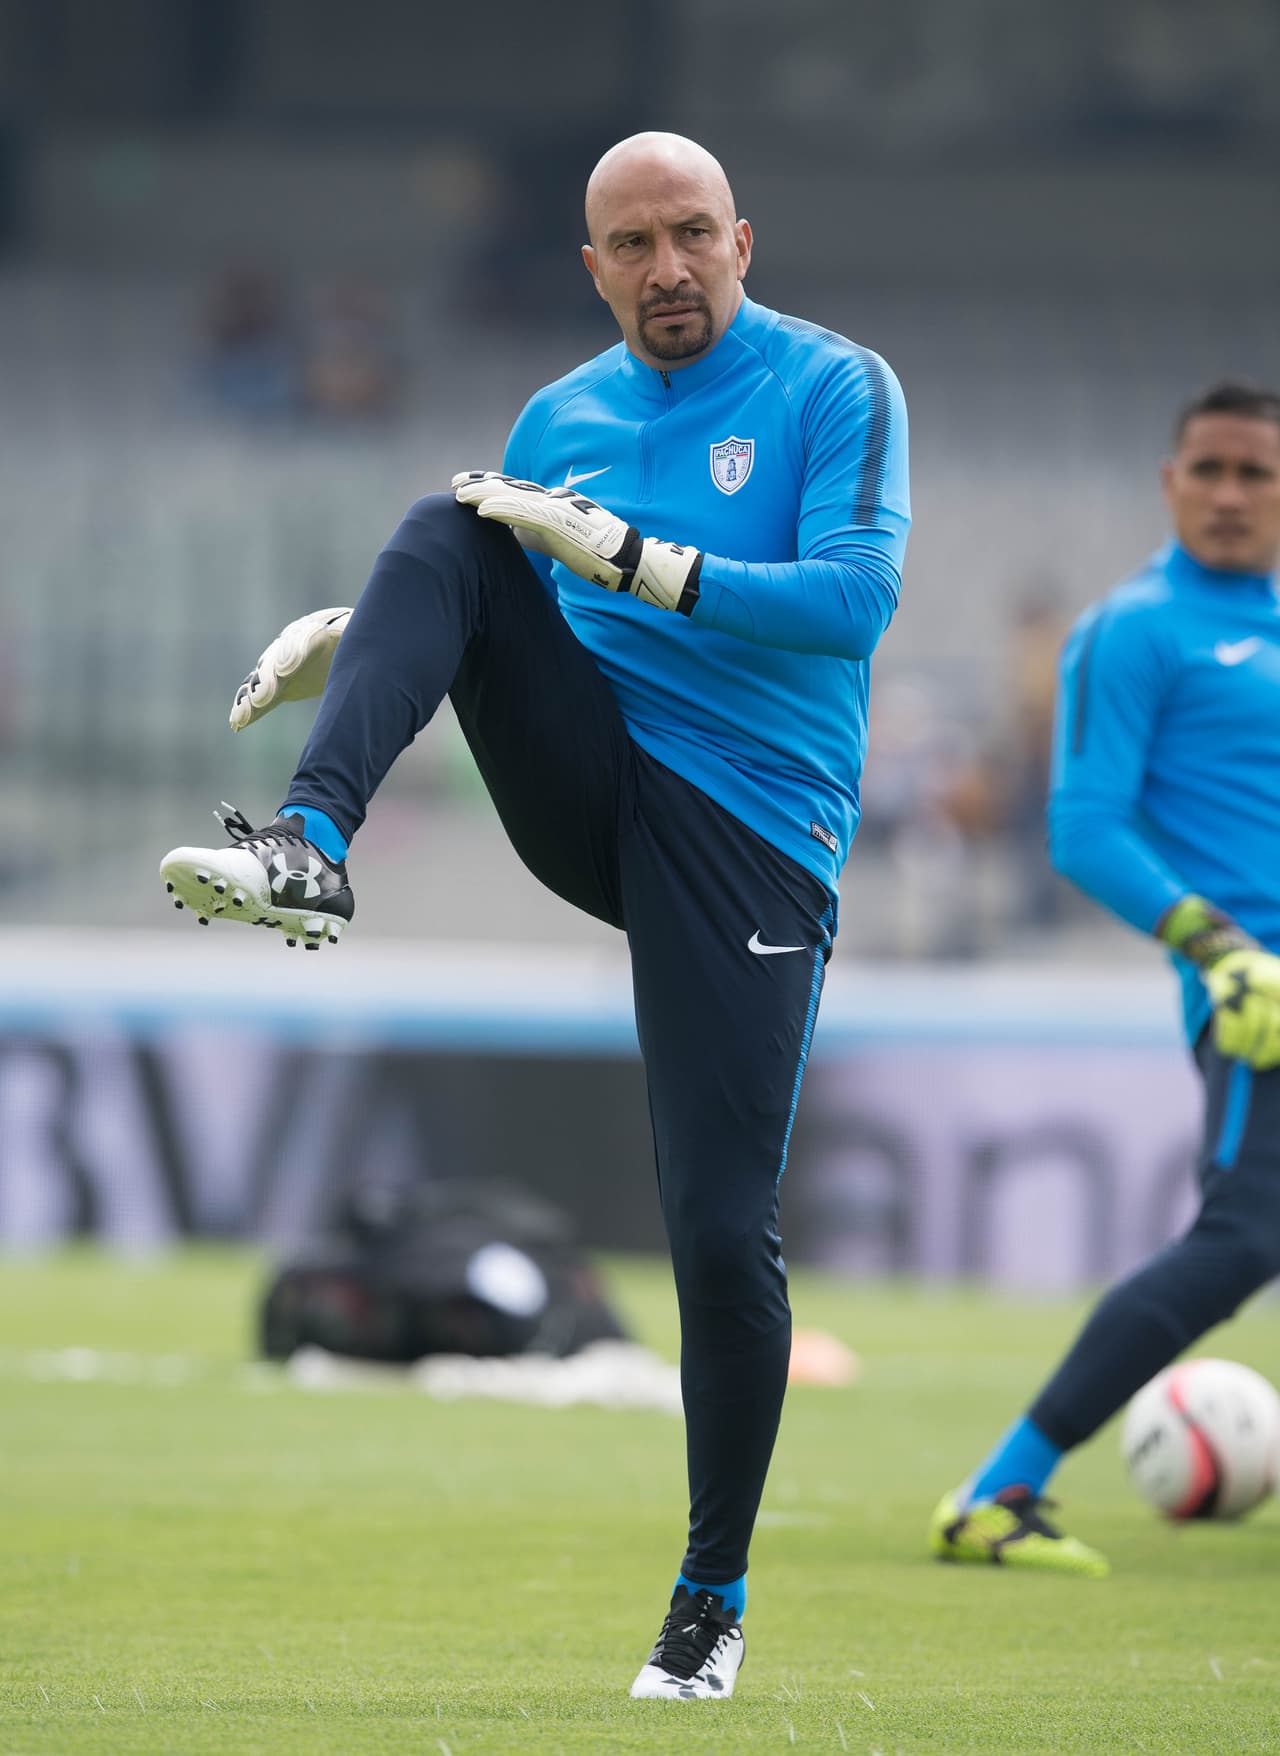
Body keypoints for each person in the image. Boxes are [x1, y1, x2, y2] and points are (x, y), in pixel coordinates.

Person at [159, 132, 910, 1697]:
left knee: (717, 1229)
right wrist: (373, 642)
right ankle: (308, 844)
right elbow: (525, 602)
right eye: (632, 246)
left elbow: (852, 601)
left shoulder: (837, 387)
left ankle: (711, 1596)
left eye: (692, 235)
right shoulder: (560, 414)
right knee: (448, 528)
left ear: (744, 240)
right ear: (592, 268)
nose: (668, 269)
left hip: (753, 841)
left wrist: (644, 561)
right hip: (595, 797)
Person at [930, 381, 1280, 1578]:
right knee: (1240, 1239)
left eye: (1255, 473)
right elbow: (1081, 827)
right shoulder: (1130, 629)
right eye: (1210, 470)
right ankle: (995, 1488)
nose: (1230, 494)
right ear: (1168, 482)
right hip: (1257, 996)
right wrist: (1216, 944)